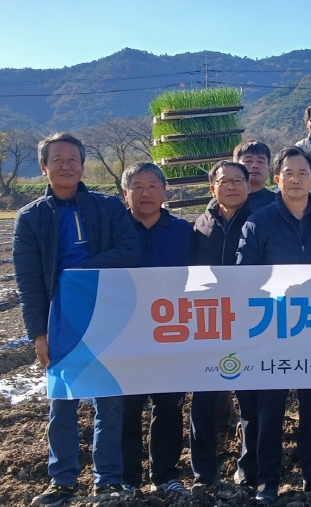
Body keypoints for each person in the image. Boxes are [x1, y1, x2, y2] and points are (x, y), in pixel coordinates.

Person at [14, 133, 140, 505]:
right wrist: (38, 333)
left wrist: (80, 273)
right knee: (62, 402)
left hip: (106, 315)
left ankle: (108, 480)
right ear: (44, 167)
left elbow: (129, 250)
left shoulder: (108, 207)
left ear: (83, 165)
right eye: (58, 160)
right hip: (60, 320)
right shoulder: (31, 218)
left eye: (73, 159)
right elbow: (29, 282)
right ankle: (63, 480)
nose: (66, 166)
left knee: (109, 401)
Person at [237, 146, 311, 505]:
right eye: (289, 173)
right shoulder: (259, 222)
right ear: (277, 178)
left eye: (303, 173)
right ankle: (268, 480)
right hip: (272, 330)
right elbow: (244, 277)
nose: (296, 179)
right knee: (270, 408)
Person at [119, 162, 192, 496]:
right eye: (137, 186)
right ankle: (128, 477)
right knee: (127, 406)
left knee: (168, 405)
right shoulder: (114, 230)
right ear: (125, 193)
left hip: (171, 331)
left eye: (152, 186)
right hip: (125, 334)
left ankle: (165, 474)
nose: (145, 193)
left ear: (164, 192)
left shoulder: (183, 231)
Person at [188, 160, 251, 491]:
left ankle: (248, 469)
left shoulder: (259, 220)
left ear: (248, 185)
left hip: (250, 322)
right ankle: (204, 473)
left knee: (250, 400)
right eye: (224, 181)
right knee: (204, 401)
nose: (231, 186)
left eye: (238, 180)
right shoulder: (199, 226)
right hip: (209, 323)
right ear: (212, 188)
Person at [233, 140, 276, 211]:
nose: (255, 165)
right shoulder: (224, 202)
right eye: (248, 161)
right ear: (235, 167)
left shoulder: (279, 204)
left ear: (268, 168)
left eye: (260, 161)